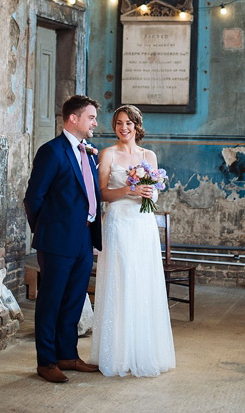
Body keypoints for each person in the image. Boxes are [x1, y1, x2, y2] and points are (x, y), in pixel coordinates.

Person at [89, 104, 175, 377]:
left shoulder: (148, 155)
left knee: (142, 282)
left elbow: (156, 194)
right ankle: (117, 353)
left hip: (142, 224)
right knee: (120, 280)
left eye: (128, 123)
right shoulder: (108, 154)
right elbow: (101, 194)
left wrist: (149, 193)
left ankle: (144, 350)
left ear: (137, 126)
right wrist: (128, 189)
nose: (123, 128)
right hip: (118, 224)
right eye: (118, 123)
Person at [24, 95, 103, 383]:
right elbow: (33, 198)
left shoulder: (88, 152)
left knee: (73, 300)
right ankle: (46, 361)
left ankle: (67, 355)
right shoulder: (52, 151)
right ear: (73, 118)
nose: (95, 122)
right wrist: (46, 230)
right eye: (91, 117)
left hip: (84, 238)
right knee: (51, 302)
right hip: (56, 240)